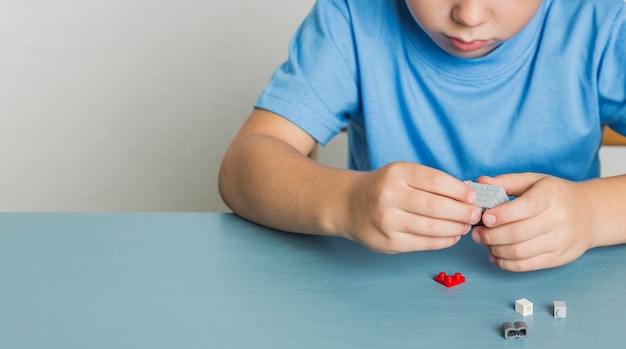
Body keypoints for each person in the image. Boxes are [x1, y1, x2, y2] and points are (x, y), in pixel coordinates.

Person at [219, 0, 626, 272]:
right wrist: (346, 201)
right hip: (375, 289)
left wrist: (592, 215)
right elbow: (242, 167)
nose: (468, 14)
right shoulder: (352, 14)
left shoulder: (604, 19)